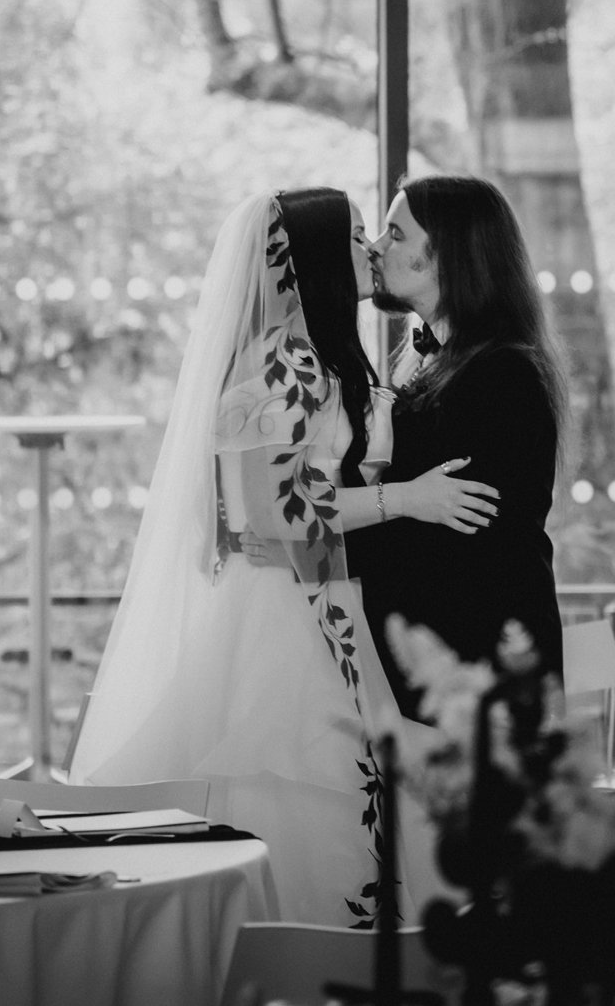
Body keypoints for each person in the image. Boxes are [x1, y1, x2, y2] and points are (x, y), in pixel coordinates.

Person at [68, 187, 493, 925]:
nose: (369, 248)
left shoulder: (315, 358)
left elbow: (300, 498)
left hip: (322, 595)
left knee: (350, 794)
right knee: (294, 787)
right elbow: (274, 512)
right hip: (279, 611)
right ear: (317, 258)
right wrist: (406, 498)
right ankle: (300, 952)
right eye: (359, 234)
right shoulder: (280, 362)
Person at [349, 173, 567, 719]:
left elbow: (467, 537)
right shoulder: (437, 361)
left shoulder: (502, 373)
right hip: (444, 662)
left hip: (480, 667)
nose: (375, 247)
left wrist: (311, 529)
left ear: (447, 255)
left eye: (395, 234)